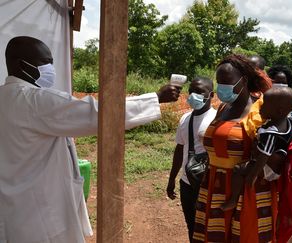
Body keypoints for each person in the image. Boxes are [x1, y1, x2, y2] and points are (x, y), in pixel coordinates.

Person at [0, 36, 180, 243]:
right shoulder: (33, 101)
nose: (50, 68)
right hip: (39, 215)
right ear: (20, 64)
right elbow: (97, 113)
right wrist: (155, 97)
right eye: (44, 63)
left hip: (12, 208)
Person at [192, 54, 276, 242]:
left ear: (243, 80)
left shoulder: (260, 112)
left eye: (226, 81)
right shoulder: (223, 108)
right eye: (219, 82)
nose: (222, 87)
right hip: (214, 184)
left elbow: (272, 151)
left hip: (245, 189)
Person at [220, 86, 292, 211]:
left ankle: (233, 199)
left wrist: (252, 176)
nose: (260, 106)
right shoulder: (290, 122)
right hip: (276, 164)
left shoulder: (271, 133)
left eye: (265, 104)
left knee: (238, 169)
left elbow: (264, 156)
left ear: (279, 111)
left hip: (268, 168)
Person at [166, 76, 217, 242]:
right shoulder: (185, 119)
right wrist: (172, 178)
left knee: (210, 226)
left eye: (199, 92)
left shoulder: (217, 120)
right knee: (192, 224)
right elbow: (180, 150)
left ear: (212, 95)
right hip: (187, 182)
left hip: (209, 184)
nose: (194, 95)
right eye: (191, 91)